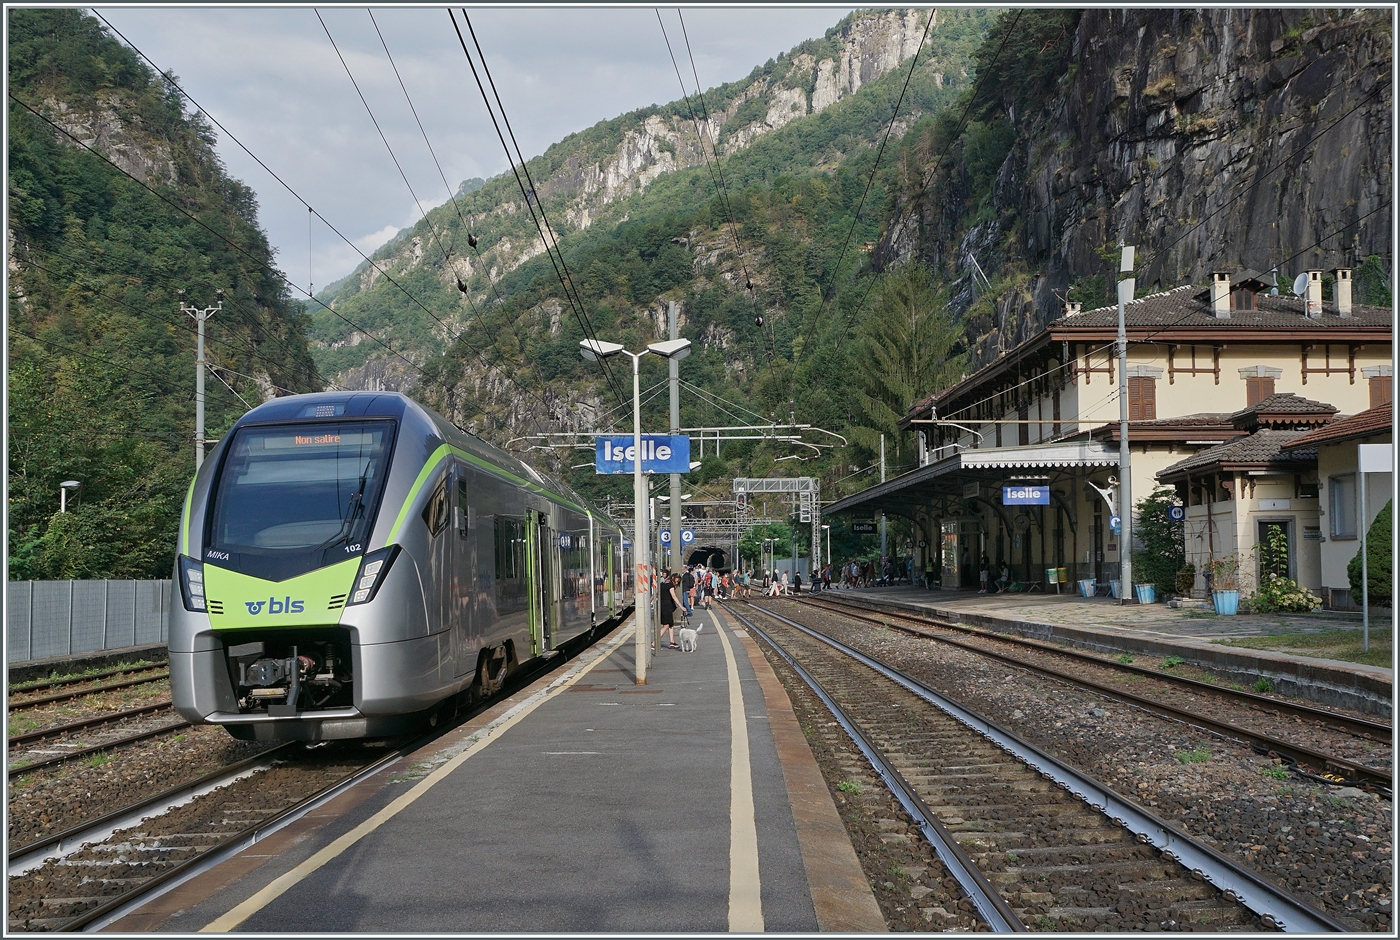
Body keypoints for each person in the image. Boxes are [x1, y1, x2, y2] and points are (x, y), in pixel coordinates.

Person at [658, 573, 682, 650]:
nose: (677, 583)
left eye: (678, 582)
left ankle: (672, 641)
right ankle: (654, 642)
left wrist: (650, 601)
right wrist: (681, 606)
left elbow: (656, 594)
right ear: (673, 579)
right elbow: (673, 596)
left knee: (670, 624)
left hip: (662, 605)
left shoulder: (662, 584)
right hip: (667, 607)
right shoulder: (670, 586)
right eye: (676, 581)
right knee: (666, 625)